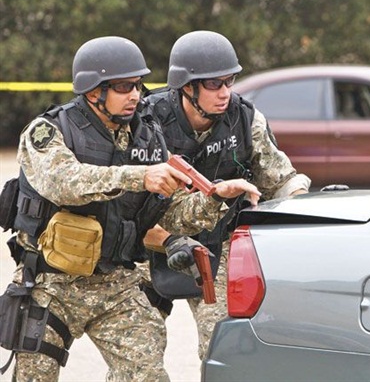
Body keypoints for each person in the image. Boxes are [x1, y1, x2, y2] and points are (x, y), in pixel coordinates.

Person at [1, 36, 260, 381]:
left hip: (115, 284)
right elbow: (64, 182)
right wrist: (139, 177)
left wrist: (217, 198)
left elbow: (169, 213)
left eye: (138, 86)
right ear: (93, 91)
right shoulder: (49, 132)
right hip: (51, 283)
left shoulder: (147, 136)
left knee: (147, 375)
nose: (136, 96)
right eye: (123, 87)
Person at [141, 30, 311, 360]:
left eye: (229, 81)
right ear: (187, 87)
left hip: (213, 249)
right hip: (148, 249)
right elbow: (117, 202)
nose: (225, 92)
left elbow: (282, 179)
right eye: (214, 84)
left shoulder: (245, 119)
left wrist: (301, 201)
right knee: (138, 364)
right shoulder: (144, 122)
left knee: (223, 352)